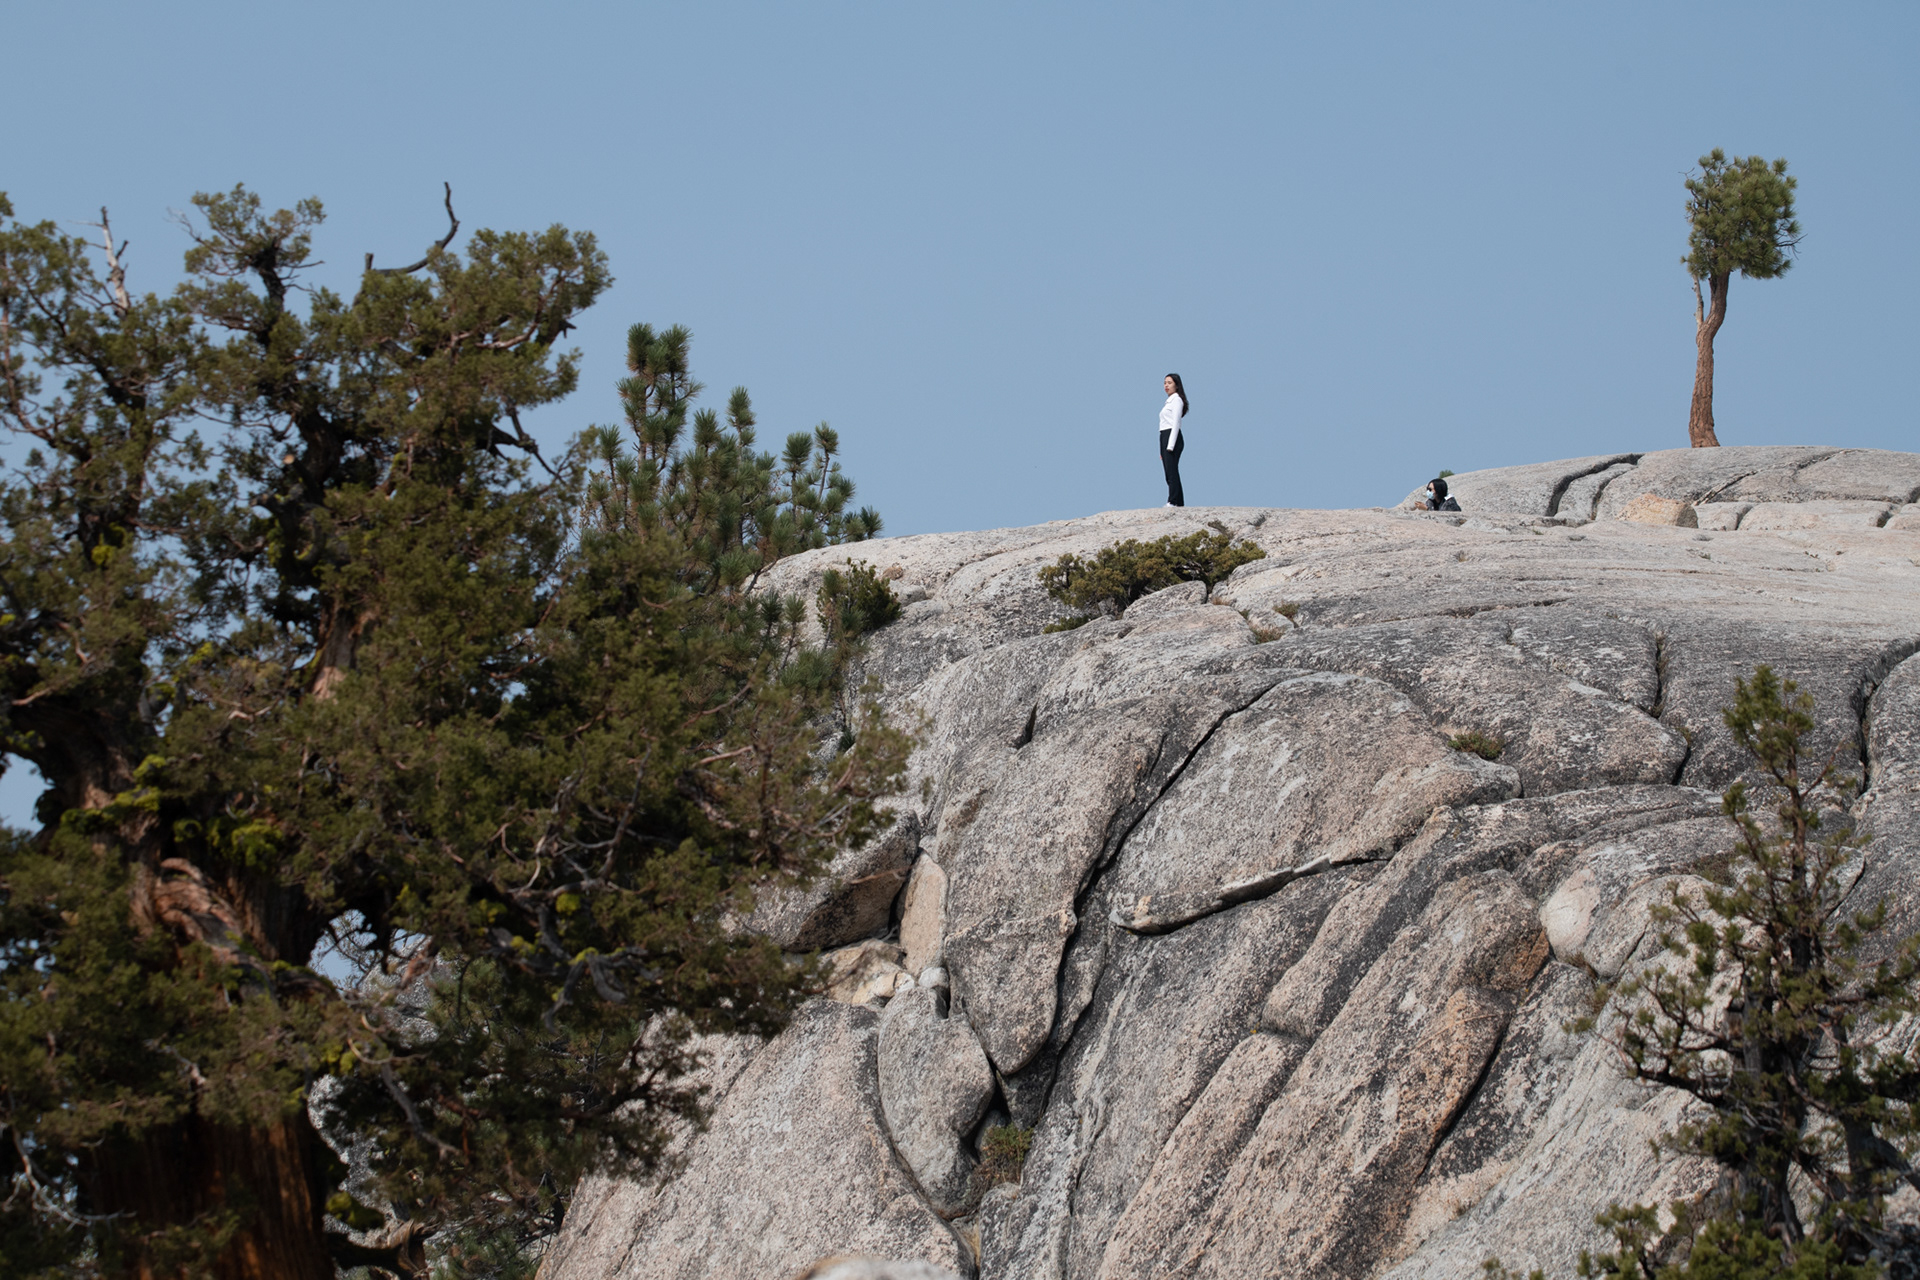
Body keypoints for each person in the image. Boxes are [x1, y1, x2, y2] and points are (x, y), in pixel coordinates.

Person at [1159, 373, 1188, 507]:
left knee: (1172, 472)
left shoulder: (1177, 400)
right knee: (1169, 471)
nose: (1166, 385)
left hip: (1172, 435)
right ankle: (1179, 502)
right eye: (1165, 383)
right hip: (1165, 436)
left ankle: (1173, 501)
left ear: (1176, 385)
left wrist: (1170, 445)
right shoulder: (1169, 401)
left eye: (1169, 383)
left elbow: (1176, 422)